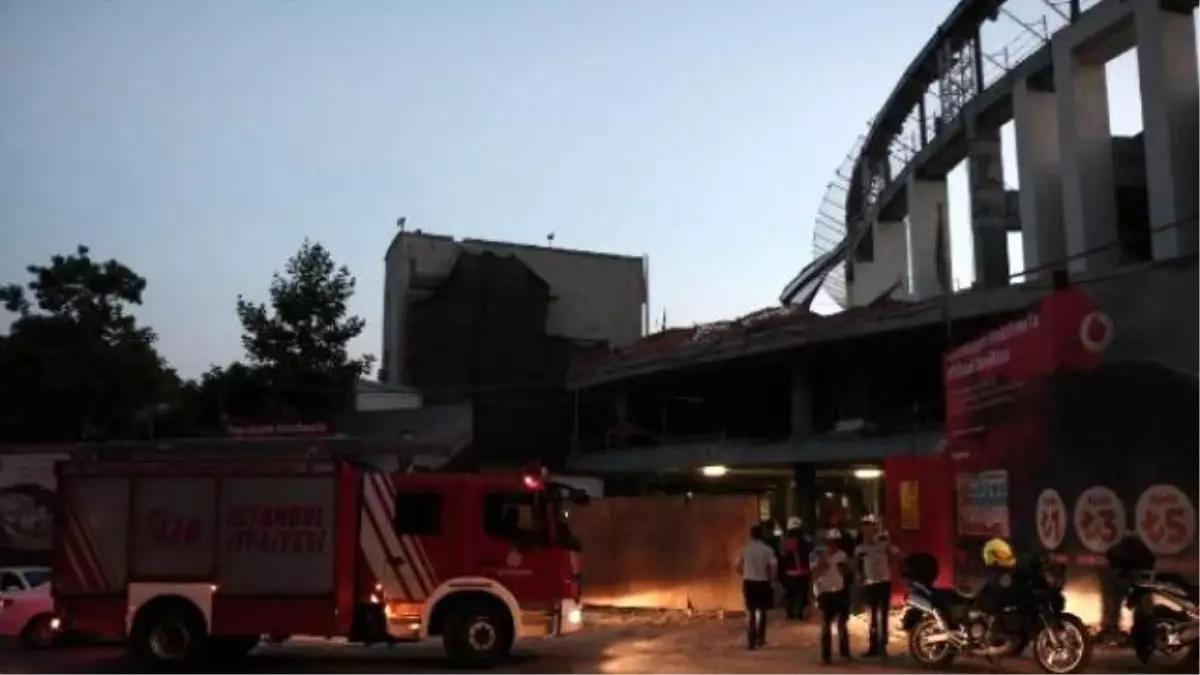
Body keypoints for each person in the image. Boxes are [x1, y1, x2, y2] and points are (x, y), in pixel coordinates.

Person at [854, 514, 901, 658]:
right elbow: (857, 565)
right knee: (872, 616)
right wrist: (859, 577)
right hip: (870, 584)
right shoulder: (860, 548)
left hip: (883, 583)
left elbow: (897, 554)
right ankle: (873, 646)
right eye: (865, 527)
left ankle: (883, 646)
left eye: (870, 526)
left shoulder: (883, 544)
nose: (867, 529)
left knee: (883, 616)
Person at [811, 528, 852, 665]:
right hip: (826, 593)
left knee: (842, 623)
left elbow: (852, 570)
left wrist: (845, 570)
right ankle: (826, 656)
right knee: (825, 625)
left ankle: (844, 652)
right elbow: (814, 575)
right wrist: (822, 565)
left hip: (839, 592)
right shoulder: (820, 556)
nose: (832, 545)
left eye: (835, 542)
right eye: (830, 542)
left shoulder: (842, 556)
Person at [736, 524, 778, 650]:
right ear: (762, 535)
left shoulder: (744, 550)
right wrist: (772, 580)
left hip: (749, 582)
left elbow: (737, 566)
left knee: (751, 611)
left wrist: (744, 573)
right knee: (762, 610)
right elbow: (773, 567)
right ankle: (761, 638)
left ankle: (751, 640)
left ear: (751, 535)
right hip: (763, 582)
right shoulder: (768, 550)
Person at [779, 516, 811, 620]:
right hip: (803, 572)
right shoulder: (806, 541)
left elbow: (782, 559)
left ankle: (790, 612)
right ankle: (798, 613)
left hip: (790, 573)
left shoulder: (785, 542)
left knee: (791, 594)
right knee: (801, 593)